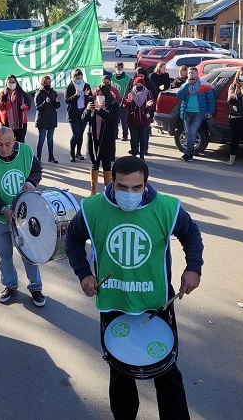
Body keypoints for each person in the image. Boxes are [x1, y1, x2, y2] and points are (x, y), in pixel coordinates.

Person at [64, 156, 203, 420]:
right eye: (122, 187)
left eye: (137, 187)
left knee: (167, 372)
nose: (129, 193)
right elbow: (72, 239)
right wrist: (84, 273)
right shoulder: (93, 208)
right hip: (114, 302)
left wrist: (193, 267)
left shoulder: (167, 207)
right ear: (112, 182)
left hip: (156, 301)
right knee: (120, 372)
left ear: (146, 184)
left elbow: (191, 234)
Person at [0, 126, 46, 307]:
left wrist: (31, 183)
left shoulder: (26, 152)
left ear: (14, 141)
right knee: (4, 255)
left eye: (8, 144)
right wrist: (3, 209)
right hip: (0, 217)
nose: (4, 148)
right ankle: (10, 285)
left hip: (24, 215)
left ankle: (36, 287)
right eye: (0, 144)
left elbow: (36, 171)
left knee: (29, 254)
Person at [82, 85, 120, 195]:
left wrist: (101, 111)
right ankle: (93, 190)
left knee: (106, 164)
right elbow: (83, 118)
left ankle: (108, 191)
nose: (99, 96)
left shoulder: (113, 105)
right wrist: (88, 109)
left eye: (102, 94)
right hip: (94, 138)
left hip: (106, 140)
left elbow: (113, 121)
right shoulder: (93, 104)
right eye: (98, 94)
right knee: (94, 164)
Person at [176, 67, 215, 162]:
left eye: (193, 73)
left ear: (197, 74)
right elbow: (179, 96)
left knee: (192, 132)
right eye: (189, 73)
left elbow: (211, 100)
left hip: (198, 113)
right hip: (187, 113)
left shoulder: (204, 85)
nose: (191, 75)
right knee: (188, 133)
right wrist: (186, 85)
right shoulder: (185, 85)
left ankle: (187, 153)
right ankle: (189, 153)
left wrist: (210, 112)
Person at [123, 76, 155, 161]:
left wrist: (149, 105)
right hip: (132, 119)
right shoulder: (131, 93)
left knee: (143, 138)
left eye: (140, 84)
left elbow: (152, 105)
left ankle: (142, 156)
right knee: (134, 137)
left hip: (143, 119)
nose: (138, 86)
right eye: (137, 84)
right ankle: (134, 155)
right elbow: (125, 105)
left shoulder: (148, 93)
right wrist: (129, 100)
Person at [65, 69, 93, 162]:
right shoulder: (70, 87)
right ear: (73, 78)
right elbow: (67, 100)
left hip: (83, 113)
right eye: (78, 79)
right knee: (75, 134)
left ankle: (78, 152)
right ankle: (72, 153)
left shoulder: (86, 86)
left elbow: (91, 99)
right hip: (73, 114)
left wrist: (87, 96)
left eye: (81, 78)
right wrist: (76, 95)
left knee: (80, 134)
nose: (80, 80)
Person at [34, 75, 61, 163]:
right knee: (41, 139)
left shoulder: (53, 92)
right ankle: (38, 158)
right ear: (42, 83)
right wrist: (45, 102)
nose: (48, 85)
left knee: (50, 139)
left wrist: (57, 101)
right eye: (46, 83)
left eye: (49, 83)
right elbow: (38, 107)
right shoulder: (39, 93)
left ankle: (51, 157)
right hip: (42, 119)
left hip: (51, 119)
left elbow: (56, 106)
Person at [0, 75, 31, 144]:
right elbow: (0, 107)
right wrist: (10, 102)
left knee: (20, 143)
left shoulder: (21, 93)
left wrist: (24, 107)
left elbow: (28, 105)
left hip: (21, 123)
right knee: (8, 143)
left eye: (13, 82)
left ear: (16, 82)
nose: (11, 84)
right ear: (6, 83)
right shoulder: (3, 93)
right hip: (7, 123)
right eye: (9, 82)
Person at [110, 62, 132, 141]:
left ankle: (125, 135)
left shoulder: (128, 79)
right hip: (114, 102)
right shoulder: (111, 77)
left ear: (122, 68)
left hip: (123, 102)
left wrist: (128, 99)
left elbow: (130, 90)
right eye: (117, 68)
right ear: (115, 68)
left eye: (120, 68)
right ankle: (115, 134)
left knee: (124, 120)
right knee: (114, 119)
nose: (118, 69)